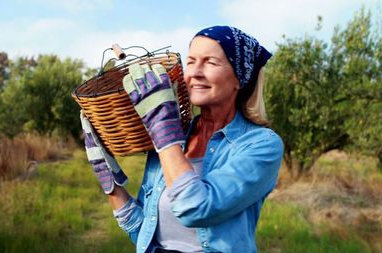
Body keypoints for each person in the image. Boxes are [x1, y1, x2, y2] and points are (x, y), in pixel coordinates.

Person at [79, 25, 284, 253]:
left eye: (210, 62)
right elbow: (143, 232)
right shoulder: (173, 137)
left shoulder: (261, 145)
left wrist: (163, 133)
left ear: (239, 78)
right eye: (191, 61)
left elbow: (195, 208)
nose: (195, 72)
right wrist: (111, 184)